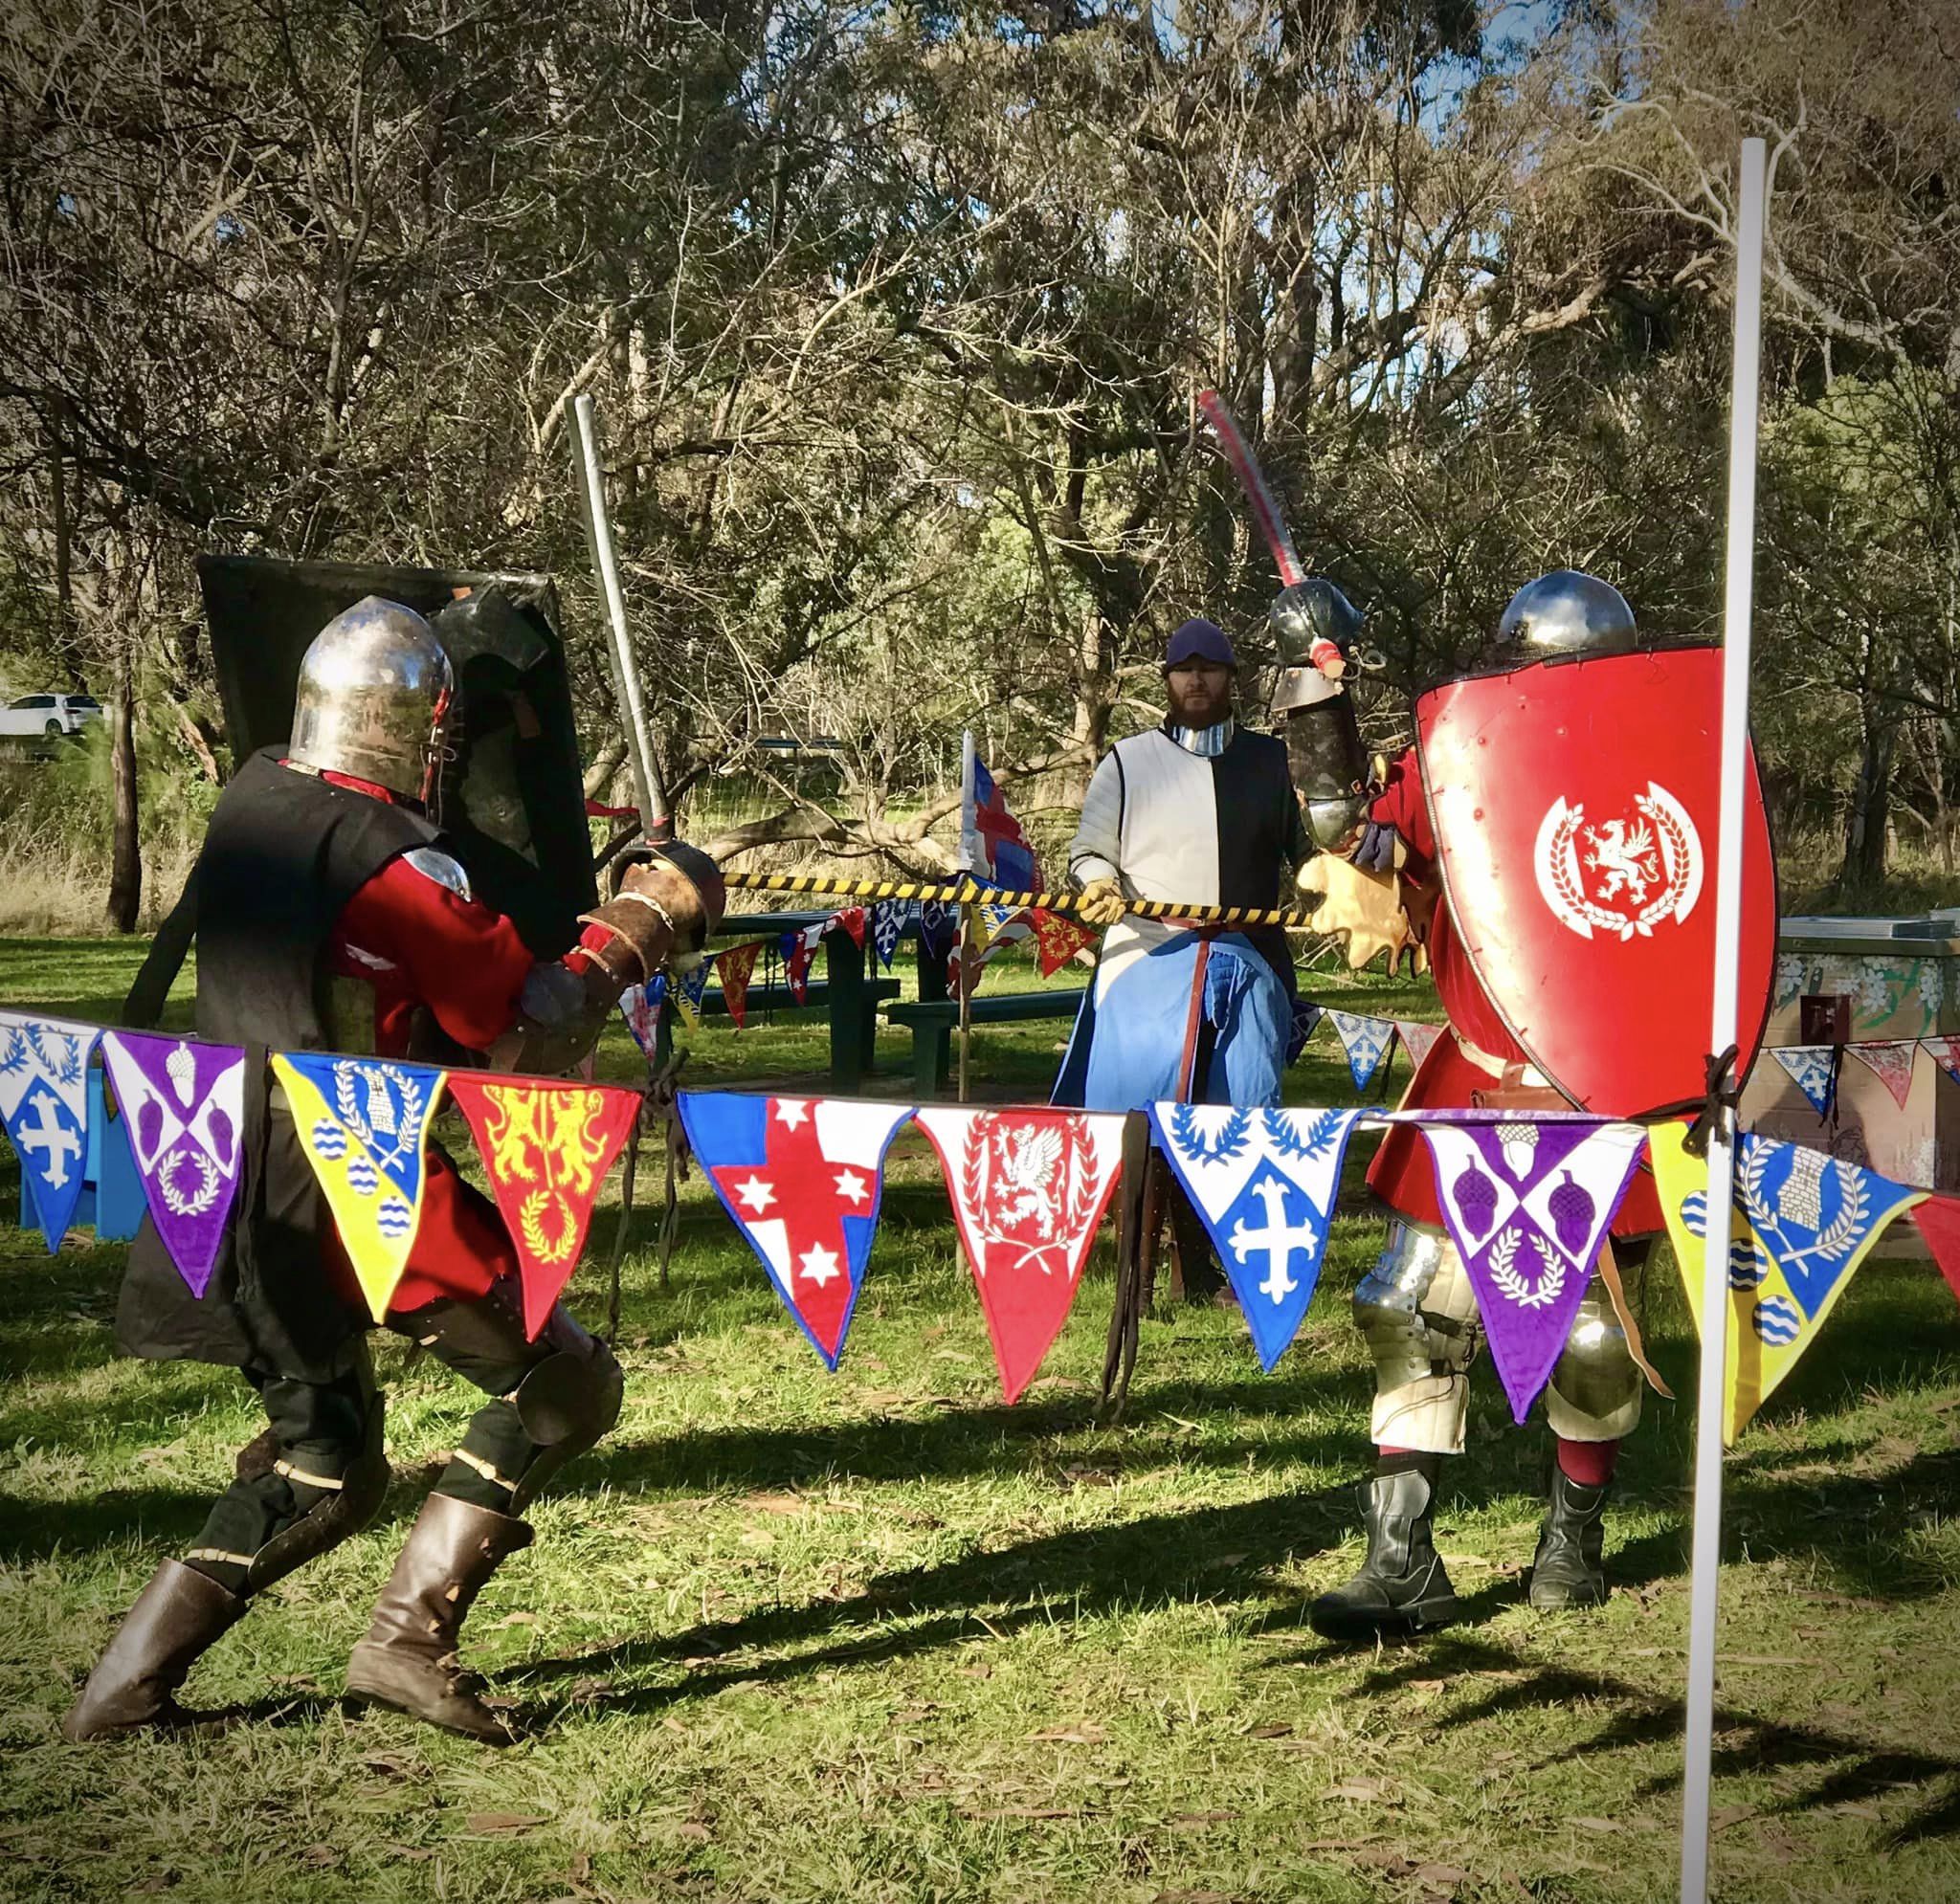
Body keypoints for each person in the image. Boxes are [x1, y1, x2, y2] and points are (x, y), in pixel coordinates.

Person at [63, 596, 723, 1745]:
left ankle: (120, 1692)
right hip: (355, 1179)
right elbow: (523, 1029)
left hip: (217, 1168)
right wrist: (641, 920)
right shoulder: (398, 865)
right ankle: (405, 1646)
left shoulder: (256, 803)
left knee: (324, 1465)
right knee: (562, 1384)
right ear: (424, 733)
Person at [1307, 570, 1662, 1641]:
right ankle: (1401, 1562)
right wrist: (1314, 690)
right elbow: (1351, 834)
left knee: (1595, 1335)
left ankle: (1572, 1541)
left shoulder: (1662, 763)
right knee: (1409, 1308)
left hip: (1608, 1088)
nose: (1562, 683)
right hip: (1477, 1076)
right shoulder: (1457, 754)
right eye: (1550, 666)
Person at [1053, 617, 1311, 1284]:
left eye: (1210, 668)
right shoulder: (1126, 761)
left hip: (1250, 961)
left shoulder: (1273, 762)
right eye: (1184, 669)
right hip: (1148, 957)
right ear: (1167, 679)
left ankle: (1227, 1258)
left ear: (1231, 678)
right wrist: (1099, 881)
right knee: (1140, 1111)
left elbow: (1310, 857)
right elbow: (1089, 850)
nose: (1197, 680)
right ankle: (1138, 1255)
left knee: (1245, 1109)